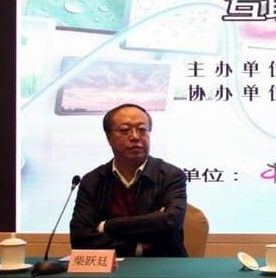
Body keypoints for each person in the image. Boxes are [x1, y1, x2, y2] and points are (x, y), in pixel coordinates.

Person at [69, 103, 189, 257]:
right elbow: (80, 239)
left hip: (163, 265)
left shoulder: (170, 175)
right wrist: (138, 246)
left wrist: (106, 226)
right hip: (108, 268)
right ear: (109, 138)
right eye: (125, 130)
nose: (135, 137)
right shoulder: (93, 181)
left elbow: (170, 222)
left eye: (142, 129)